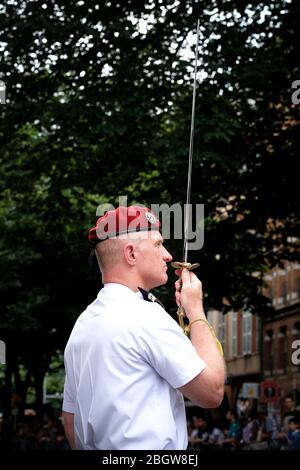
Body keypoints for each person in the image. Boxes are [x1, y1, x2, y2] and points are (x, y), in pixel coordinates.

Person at [62, 206, 225, 450]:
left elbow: (70, 422)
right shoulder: (147, 317)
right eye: (158, 245)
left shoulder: (82, 325)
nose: (168, 255)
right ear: (131, 254)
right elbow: (212, 392)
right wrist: (196, 311)